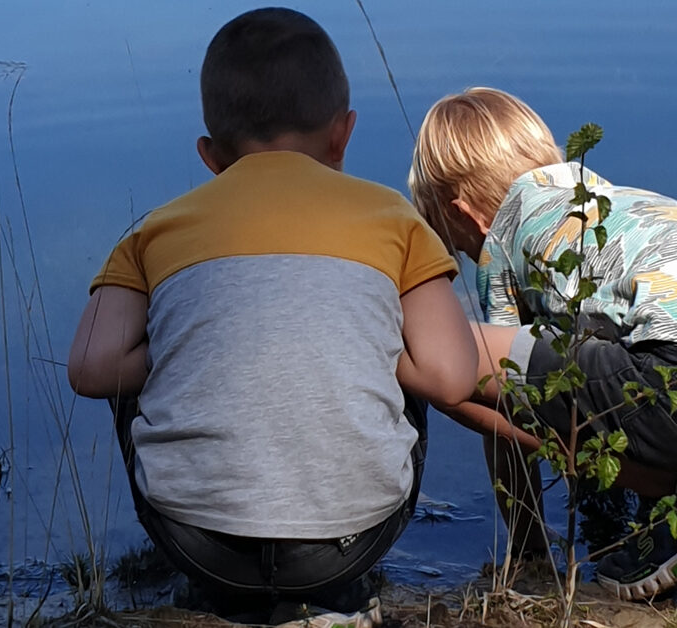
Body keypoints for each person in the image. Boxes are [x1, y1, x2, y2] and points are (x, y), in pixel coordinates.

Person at [66, 8, 477, 622]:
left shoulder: (155, 230)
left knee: (131, 379)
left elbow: (90, 369)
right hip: (348, 544)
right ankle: (336, 594)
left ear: (209, 154)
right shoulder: (394, 218)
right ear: (343, 134)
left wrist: (181, 340)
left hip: (199, 543)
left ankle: (216, 588)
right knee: (404, 338)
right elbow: (451, 378)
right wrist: (371, 342)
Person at [406, 86, 677, 610]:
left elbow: (505, 393)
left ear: (464, 214)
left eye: (455, 240)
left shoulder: (499, 240)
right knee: (666, 382)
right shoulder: (619, 199)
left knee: (454, 358)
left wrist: (528, 548)